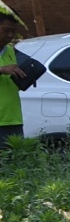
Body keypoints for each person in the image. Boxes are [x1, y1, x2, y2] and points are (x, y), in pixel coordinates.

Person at [0, 11, 30, 141]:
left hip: (12, 119)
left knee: (16, 160)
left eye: (13, 31)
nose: (10, 35)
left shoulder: (10, 51)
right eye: (6, 30)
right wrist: (1, 69)